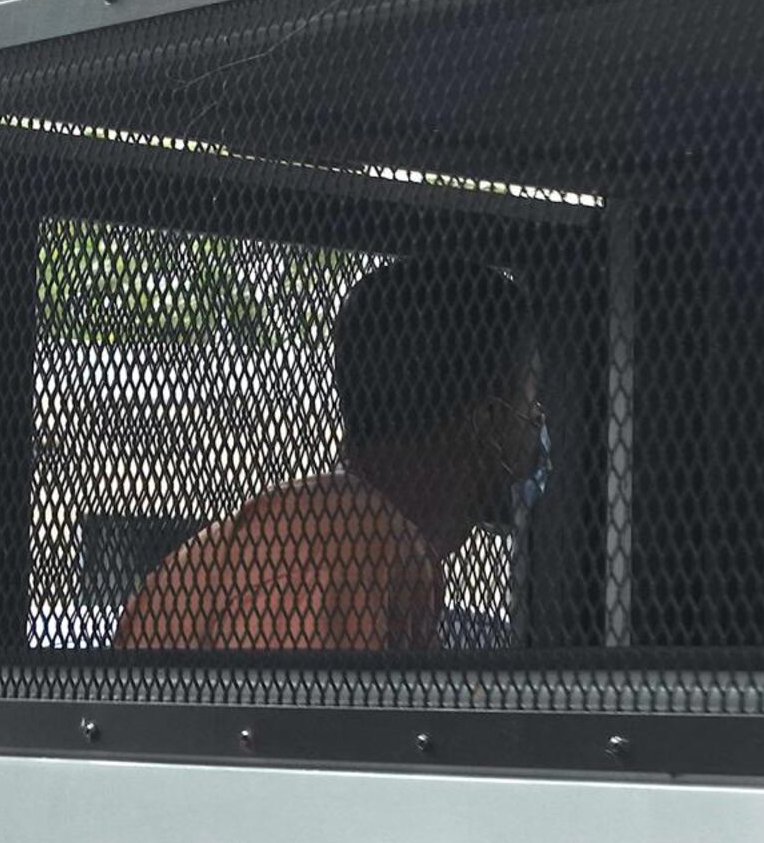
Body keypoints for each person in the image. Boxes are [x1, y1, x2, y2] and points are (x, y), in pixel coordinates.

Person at [116, 257, 547, 651]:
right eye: (531, 406)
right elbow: (303, 734)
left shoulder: (365, 542)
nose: (539, 429)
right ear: (488, 423)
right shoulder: (346, 557)